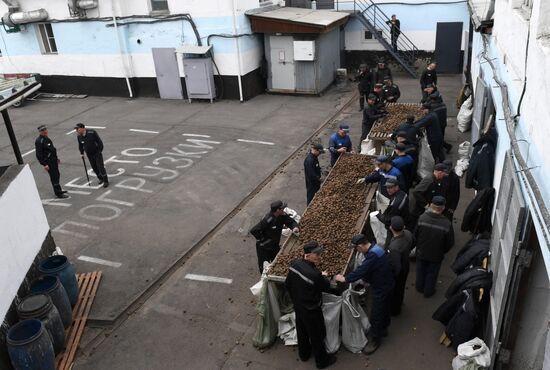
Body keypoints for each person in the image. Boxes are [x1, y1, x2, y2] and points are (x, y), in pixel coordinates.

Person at [335, 234, 395, 354]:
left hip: (381, 287)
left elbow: (362, 270)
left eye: (357, 248)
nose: (357, 250)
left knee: (376, 313)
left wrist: (345, 279)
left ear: (361, 245)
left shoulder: (373, 255)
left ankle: (375, 340)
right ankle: (384, 328)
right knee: (385, 307)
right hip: (386, 283)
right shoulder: (374, 248)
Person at [285, 241, 337, 369]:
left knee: (301, 330)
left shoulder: (294, 264)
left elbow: (288, 284)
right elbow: (326, 287)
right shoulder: (315, 275)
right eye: (316, 254)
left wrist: (296, 300)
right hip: (311, 309)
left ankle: (304, 354)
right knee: (316, 335)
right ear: (307, 255)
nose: (319, 256)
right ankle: (321, 361)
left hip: (298, 305)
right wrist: (323, 277)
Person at [414, 195, 454, 298]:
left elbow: (415, 235)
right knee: (432, 273)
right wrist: (442, 251)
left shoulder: (422, 218)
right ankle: (428, 292)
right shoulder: (447, 224)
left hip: (421, 252)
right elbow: (450, 243)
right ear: (443, 208)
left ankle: (419, 287)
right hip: (436, 255)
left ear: (431, 205)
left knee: (420, 270)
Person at [250, 200, 299, 274]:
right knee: (264, 267)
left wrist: (294, 227)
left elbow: (290, 222)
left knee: (277, 263)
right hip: (263, 248)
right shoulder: (268, 219)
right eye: (282, 208)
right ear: (277, 210)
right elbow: (254, 230)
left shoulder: (282, 215)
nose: (284, 210)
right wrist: (263, 240)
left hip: (274, 245)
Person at [386, 216, 414, 315]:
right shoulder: (408, 234)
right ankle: (399, 303)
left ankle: (395, 310)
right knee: (401, 289)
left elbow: (396, 267)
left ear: (391, 228)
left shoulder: (394, 248)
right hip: (406, 265)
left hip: (399, 272)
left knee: (395, 291)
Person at [409, 163, 449, 229]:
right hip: (417, 210)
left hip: (424, 209)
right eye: (444, 173)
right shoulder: (429, 180)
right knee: (414, 226)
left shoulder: (437, 180)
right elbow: (416, 192)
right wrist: (426, 205)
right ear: (439, 172)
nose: (445, 175)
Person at [35, 125, 69, 199]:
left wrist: (56, 159)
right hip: (49, 162)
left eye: (45, 129)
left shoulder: (46, 138)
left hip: (53, 160)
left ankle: (59, 190)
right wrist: (44, 164)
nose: (45, 131)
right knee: (54, 177)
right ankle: (58, 193)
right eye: (43, 130)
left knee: (57, 175)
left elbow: (52, 150)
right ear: (40, 132)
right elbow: (38, 154)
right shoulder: (39, 141)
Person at [376, 178, 409, 245]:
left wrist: (379, 215)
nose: (388, 189)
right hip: (404, 220)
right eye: (387, 187)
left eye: (390, 187)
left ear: (396, 187)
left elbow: (388, 220)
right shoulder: (403, 194)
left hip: (397, 227)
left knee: (389, 245)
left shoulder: (396, 202)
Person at [74, 123, 109, 187]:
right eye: (76, 129)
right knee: (94, 167)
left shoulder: (92, 132)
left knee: (100, 167)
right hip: (89, 154)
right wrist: (81, 153)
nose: (76, 130)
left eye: (77, 129)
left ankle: (106, 181)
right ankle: (100, 178)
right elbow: (80, 146)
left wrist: (99, 151)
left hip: (97, 152)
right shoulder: (79, 136)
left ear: (82, 128)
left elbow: (99, 142)